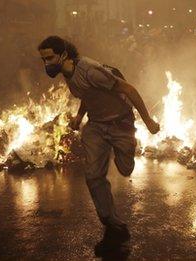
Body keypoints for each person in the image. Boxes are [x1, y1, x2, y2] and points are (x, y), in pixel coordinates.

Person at [38, 36, 160, 248]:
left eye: (49, 58)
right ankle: (113, 225)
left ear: (63, 55)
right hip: (96, 125)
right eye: (43, 59)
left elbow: (129, 90)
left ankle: (127, 150)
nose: (46, 63)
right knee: (93, 176)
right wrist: (79, 117)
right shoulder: (67, 73)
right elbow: (88, 94)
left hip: (120, 123)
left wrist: (147, 121)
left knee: (125, 168)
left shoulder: (90, 70)